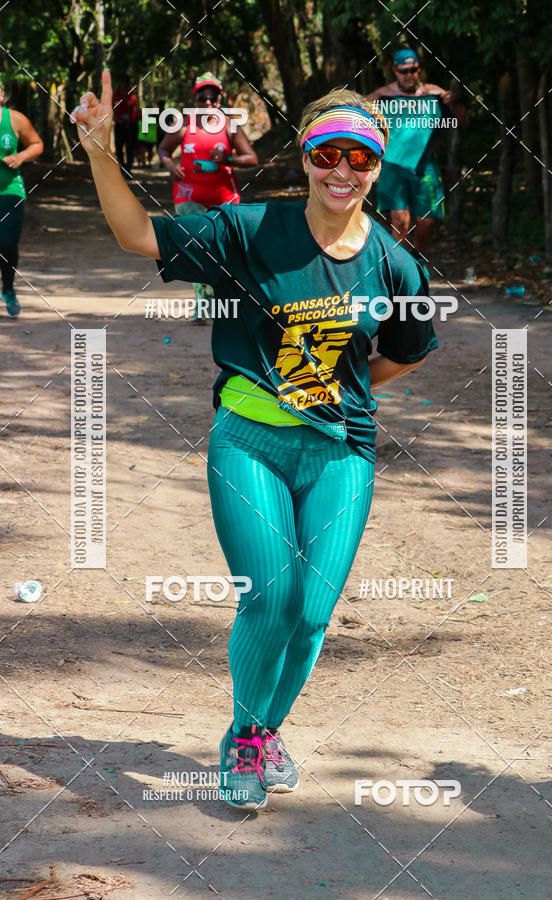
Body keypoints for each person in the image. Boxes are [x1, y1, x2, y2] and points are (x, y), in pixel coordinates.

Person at [72, 71, 438, 811]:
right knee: (271, 597)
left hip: (342, 454)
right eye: (328, 154)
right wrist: (100, 153)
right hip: (248, 445)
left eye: (360, 159)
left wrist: (340, 391)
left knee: (311, 612)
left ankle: (266, 729)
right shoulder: (248, 229)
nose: (343, 171)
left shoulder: (397, 265)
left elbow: (406, 350)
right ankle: (243, 737)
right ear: (304, 157)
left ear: (377, 164)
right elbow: (136, 235)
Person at [158, 73, 257, 322]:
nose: (208, 103)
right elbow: (163, 148)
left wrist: (227, 159)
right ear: (195, 100)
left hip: (224, 200)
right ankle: (203, 306)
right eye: (203, 98)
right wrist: (170, 165)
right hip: (188, 197)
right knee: (196, 248)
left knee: (222, 252)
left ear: (220, 99)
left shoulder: (230, 126)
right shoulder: (182, 124)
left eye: (213, 98)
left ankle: (225, 305)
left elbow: (252, 158)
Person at [368, 48, 467, 263]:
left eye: (412, 70)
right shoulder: (381, 96)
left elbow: (461, 121)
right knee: (400, 220)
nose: (408, 74)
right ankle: (400, 268)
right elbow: (357, 117)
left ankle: (416, 259)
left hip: (425, 165)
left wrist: (457, 102)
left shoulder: (435, 94)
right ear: (395, 70)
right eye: (403, 71)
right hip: (392, 165)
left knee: (427, 221)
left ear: (418, 69)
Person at [0, 89, 43, 317]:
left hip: (10, 190)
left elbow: (36, 143)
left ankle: (8, 289)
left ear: (1, 94)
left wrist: (21, 157)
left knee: (7, 243)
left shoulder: (15, 119)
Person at [113, 79, 139, 174]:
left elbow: (137, 110)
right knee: (118, 148)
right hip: (119, 125)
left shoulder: (133, 95)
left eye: (125, 82)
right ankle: (122, 166)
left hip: (131, 126)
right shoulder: (115, 95)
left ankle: (128, 169)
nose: (123, 84)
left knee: (130, 148)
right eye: (121, 82)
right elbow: (112, 108)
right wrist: (116, 118)